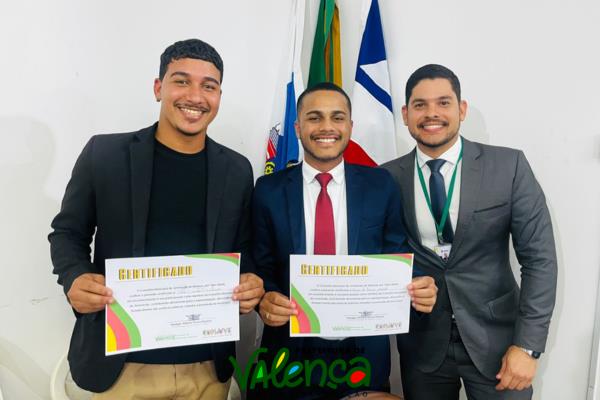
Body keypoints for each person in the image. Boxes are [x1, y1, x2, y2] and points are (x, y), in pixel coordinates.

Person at [48, 39, 264, 400]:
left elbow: (243, 248)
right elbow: (67, 232)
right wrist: (74, 277)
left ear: (218, 96)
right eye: (182, 81)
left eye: (208, 86)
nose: (195, 96)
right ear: (158, 87)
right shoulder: (105, 154)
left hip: (206, 367)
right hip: (122, 366)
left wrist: (251, 282)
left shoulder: (237, 169)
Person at [250, 82, 437, 399]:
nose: (326, 127)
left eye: (337, 117)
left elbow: (396, 254)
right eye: (314, 117)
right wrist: (264, 300)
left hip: (363, 355)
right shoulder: (268, 190)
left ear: (350, 126)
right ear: (297, 127)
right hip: (288, 356)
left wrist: (420, 286)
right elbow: (261, 265)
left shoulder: (381, 185)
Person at [382, 64, 557, 400]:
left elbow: (540, 260)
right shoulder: (386, 178)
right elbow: (380, 255)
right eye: (420, 105)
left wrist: (528, 346)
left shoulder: (508, 167)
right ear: (406, 114)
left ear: (461, 109)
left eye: (443, 102)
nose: (432, 113)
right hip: (423, 348)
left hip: (499, 345)